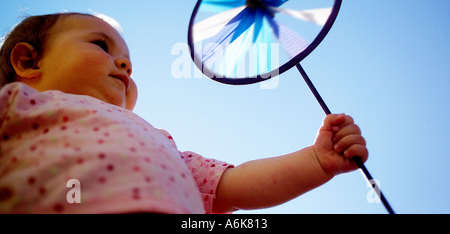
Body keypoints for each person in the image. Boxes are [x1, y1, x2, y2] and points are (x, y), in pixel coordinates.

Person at [0, 12, 368, 213]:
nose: (124, 63)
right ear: (28, 60)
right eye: (100, 45)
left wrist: (317, 162)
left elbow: (236, 186)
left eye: (127, 59)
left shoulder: (161, 146)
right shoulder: (16, 105)